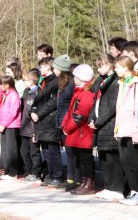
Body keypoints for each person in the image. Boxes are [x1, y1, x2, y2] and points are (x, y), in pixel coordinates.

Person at [89, 54, 127, 200]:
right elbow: (96, 102)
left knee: (113, 157)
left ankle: (117, 188)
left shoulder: (116, 82)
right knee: (104, 157)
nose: (99, 69)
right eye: (97, 66)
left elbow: (112, 107)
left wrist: (99, 121)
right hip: (100, 125)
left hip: (109, 125)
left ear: (110, 65)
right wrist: (92, 118)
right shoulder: (100, 81)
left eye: (101, 65)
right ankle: (109, 185)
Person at [114, 56, 138, 206]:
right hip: (122, 128)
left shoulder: (137, 83)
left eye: (118, 67)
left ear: (127, 67)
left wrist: (137, 131)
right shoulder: (122, 83)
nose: (116, 70)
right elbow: (119, 108)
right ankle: (133, 190)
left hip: (133, 129)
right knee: (125, 160)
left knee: (135, 162)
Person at [62, 64, 97, 195]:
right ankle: (83, 181)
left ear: (81, 78)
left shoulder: (87, 93)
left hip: (83, 132)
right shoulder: (79, 91)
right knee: (81, 159)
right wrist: (65, 124)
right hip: (77, 132)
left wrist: (68, 127)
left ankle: (89, 183)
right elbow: (71, 111)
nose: (73, 79)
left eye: (75, 76)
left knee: (86, 158)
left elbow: (80, 114)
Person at [31, 56, 63, 187]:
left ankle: (57, 176)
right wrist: (32, 110)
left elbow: (53, 102)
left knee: (53, 150)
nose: (40, 69)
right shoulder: (43, 81)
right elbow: (38, 98)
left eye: (42, 66)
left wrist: (39, 113)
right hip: (41, 122)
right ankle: (51, 174)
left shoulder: (55, 82)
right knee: (46, 151)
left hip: (50, 120)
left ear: (48, 67)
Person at [55, 55, 79, 190]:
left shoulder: (70, 85)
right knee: (69, 152)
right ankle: (70, 178)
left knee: (72, 153)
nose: (54, 70)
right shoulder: (62, 84)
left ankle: (75, 179)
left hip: (68, 123)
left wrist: (66, 123)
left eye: (56, 68)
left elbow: (71, 106)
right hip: (61, 122)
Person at [20, 69, 43, 183]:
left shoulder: (38, 94)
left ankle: (36, 173)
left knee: (34, 152)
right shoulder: (27, 93)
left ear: (31, 81)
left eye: (25, 80)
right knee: (24, 151)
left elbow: (36, 113)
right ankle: (29, 172)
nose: (24, 82)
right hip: (25, 128)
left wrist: (35, 131)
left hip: (33, 129)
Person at [0, 75, 22, 180]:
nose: (0, 86)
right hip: (3, 125)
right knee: (5, 149)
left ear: (7, 85)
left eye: (1, 84)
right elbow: (1, 110)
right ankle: (7, 170)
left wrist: (4, 124)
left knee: (11, 150)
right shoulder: (6, 95)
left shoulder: (13, 96)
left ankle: (13, 172)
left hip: (11, 126)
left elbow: (12, 113)